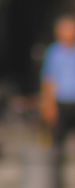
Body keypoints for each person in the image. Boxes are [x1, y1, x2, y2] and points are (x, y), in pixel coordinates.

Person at [42, 13, 75, 157]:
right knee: (57, 143)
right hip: (60, 101)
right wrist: (48, 103)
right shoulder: (53, 52)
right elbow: (48, 79)